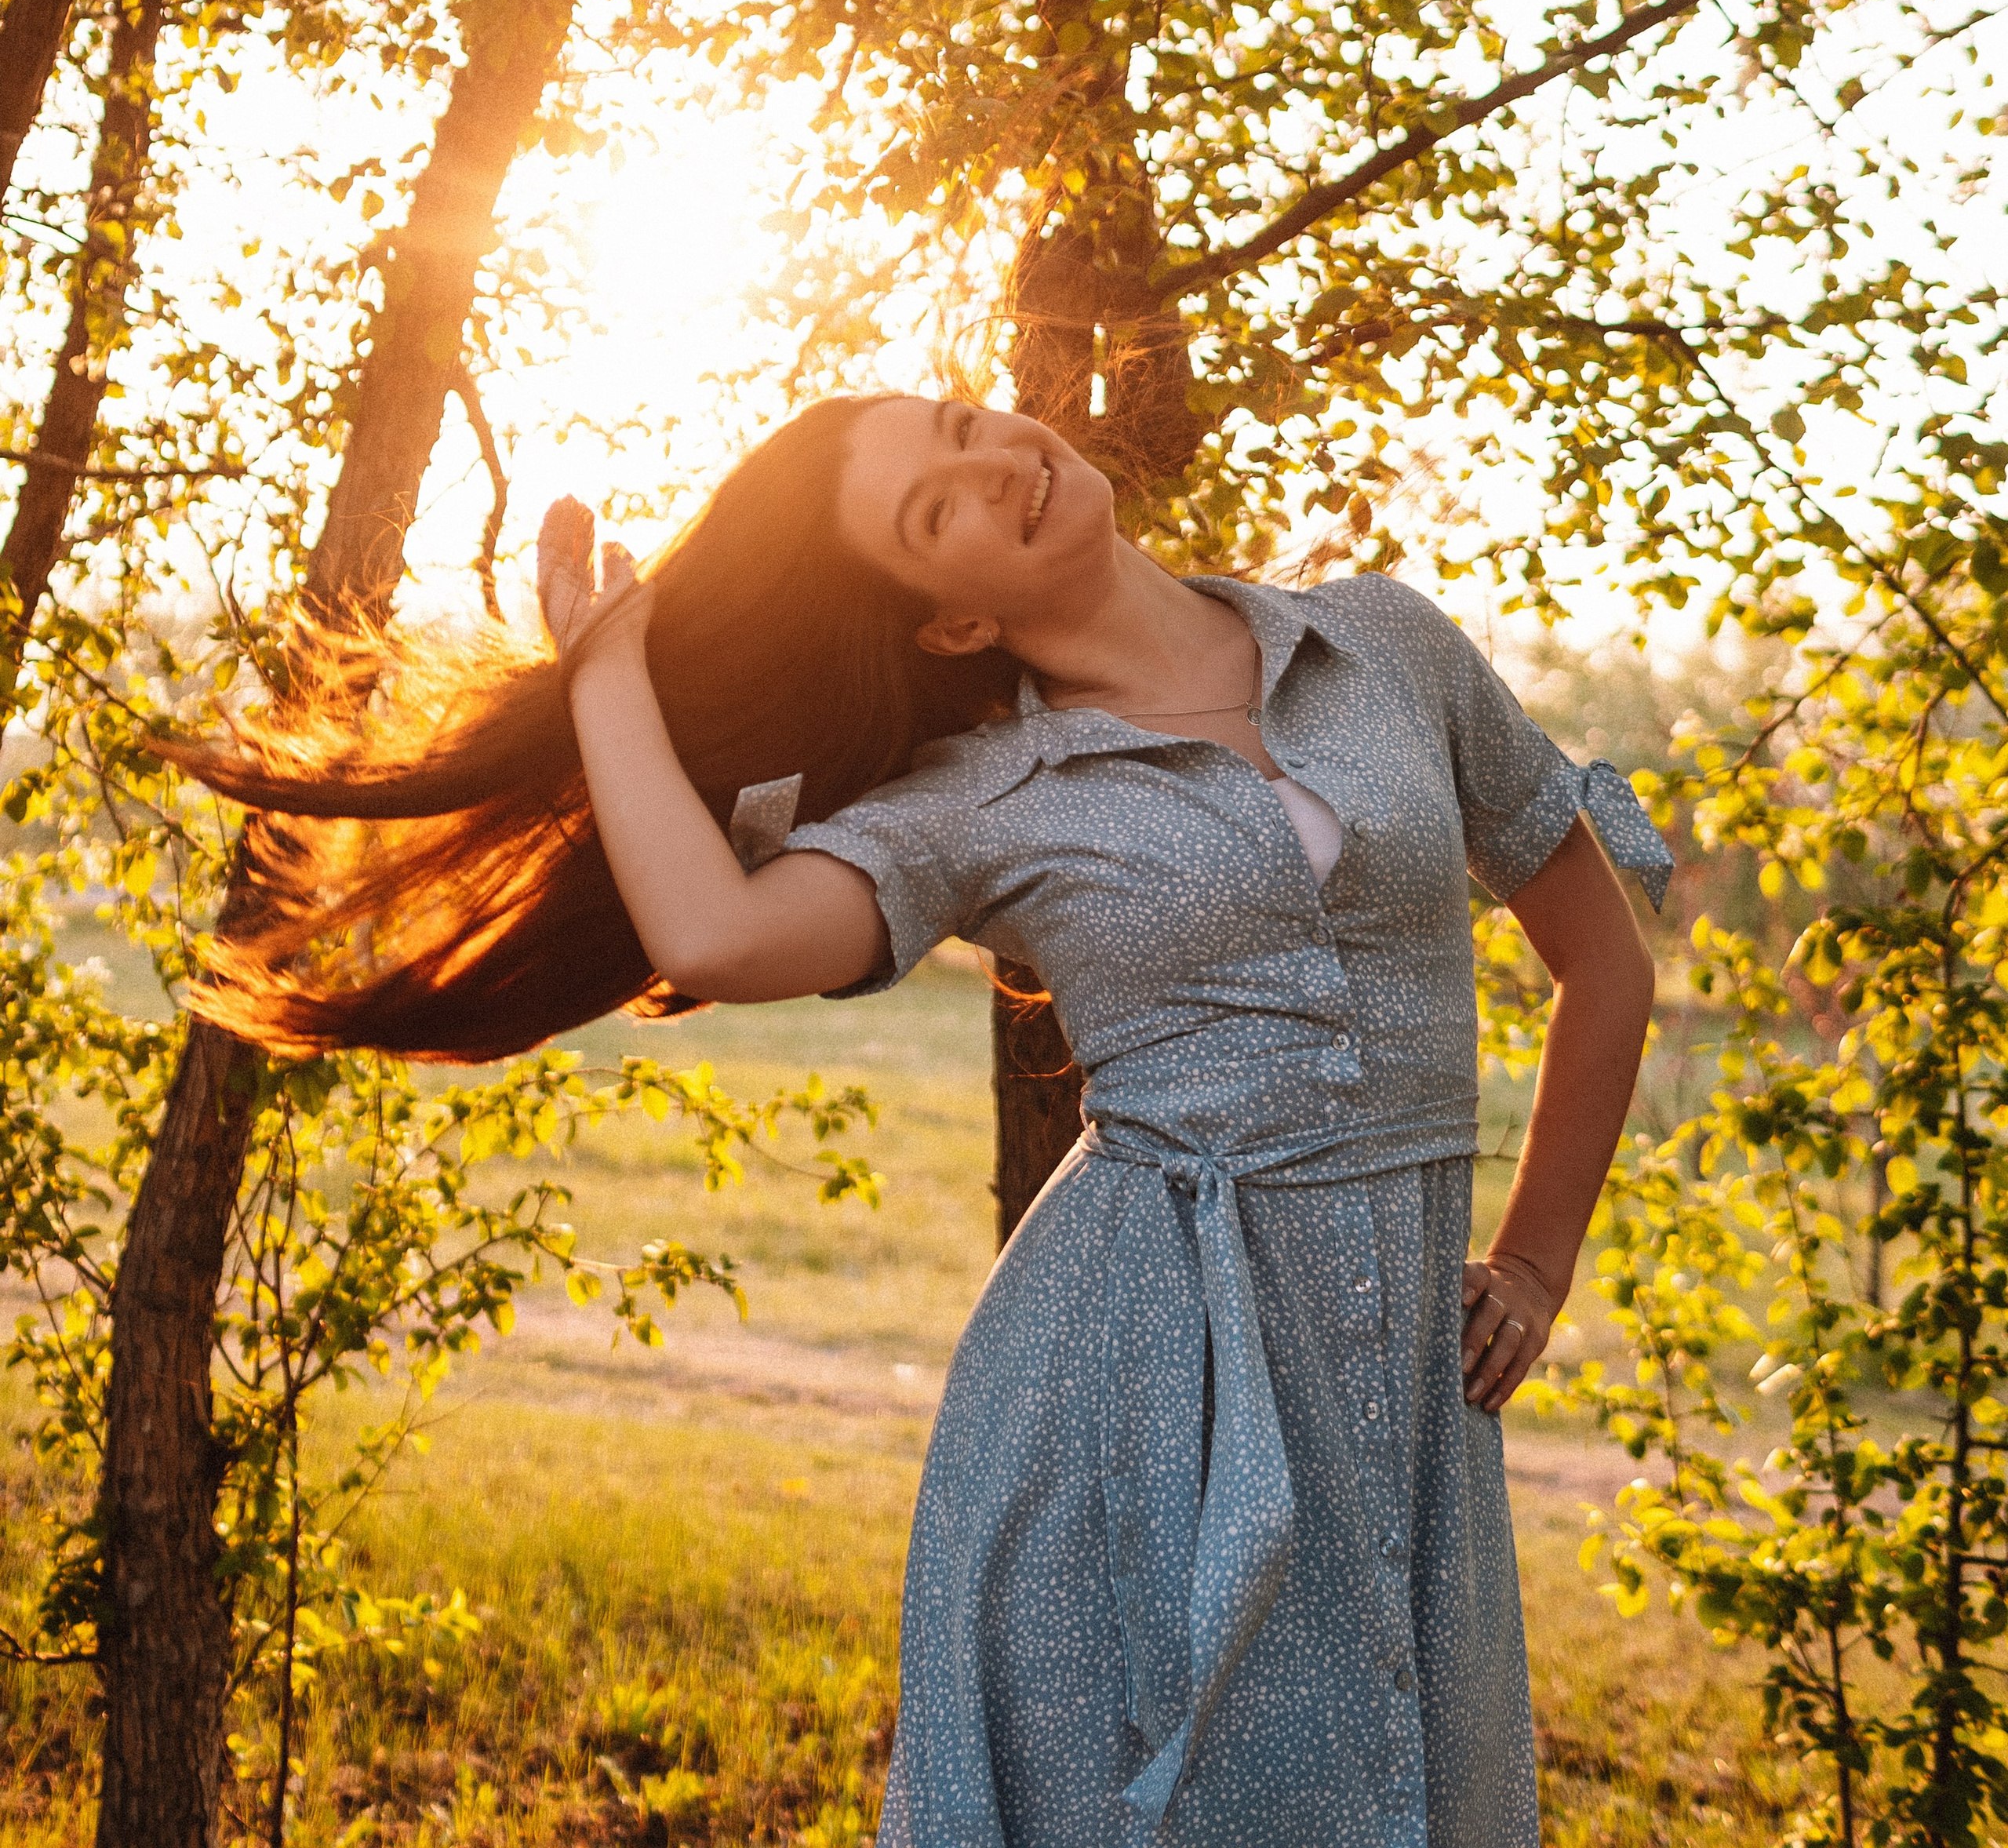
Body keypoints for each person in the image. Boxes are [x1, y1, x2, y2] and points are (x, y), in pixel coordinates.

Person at [186, 391, 1665, 1848]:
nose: (996, 459)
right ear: (950, 627)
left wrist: (1536, 1264)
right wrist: (608, 669)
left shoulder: (1384, 642)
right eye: (935, 504)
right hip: (1129, 1385)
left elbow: (1605, 960)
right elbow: (715, 936)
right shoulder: (978, 799)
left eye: (963, 423)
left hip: (1397, 1384)